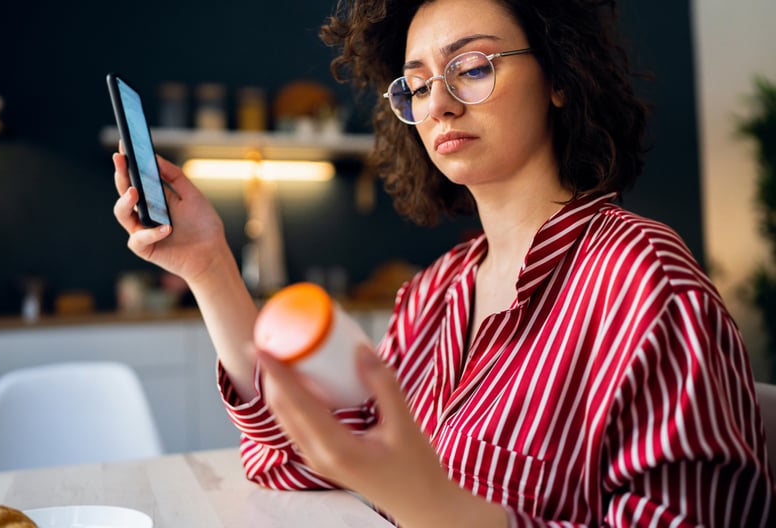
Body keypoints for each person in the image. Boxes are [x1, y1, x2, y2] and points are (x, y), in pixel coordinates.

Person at [112, 0, 776, 525]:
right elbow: (300, 462)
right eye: (419, 85)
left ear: (559, 79)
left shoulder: (645, 281)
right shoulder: (433, 294)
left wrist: (437, 509)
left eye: (474, 67)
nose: (439, 105)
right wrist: (209, 265)